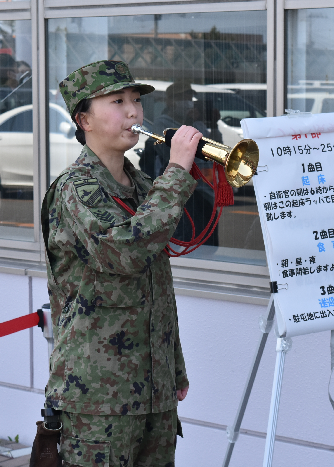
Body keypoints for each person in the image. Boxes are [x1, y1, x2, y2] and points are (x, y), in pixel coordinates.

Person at [40, 60, 201, 467]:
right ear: (84, 120)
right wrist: (178, 170)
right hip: (98, 396)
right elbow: (125, 252)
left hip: (152, 391)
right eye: (117, 101)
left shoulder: (143, 185)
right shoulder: (76, 189)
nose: (133, 112)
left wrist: (174, 368)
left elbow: (157, 286)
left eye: (135, 100)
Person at [140, 81, 219, 246]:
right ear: (170, 101)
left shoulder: (197, 123)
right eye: (183, 97)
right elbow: (181, 156)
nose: (188, 101)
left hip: (205, 193)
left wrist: (214, 125)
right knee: (186, 240)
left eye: (190, 97)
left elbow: (214, 152)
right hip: (181, 192)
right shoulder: (162, 125)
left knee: (208, 241)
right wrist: (189, 124)